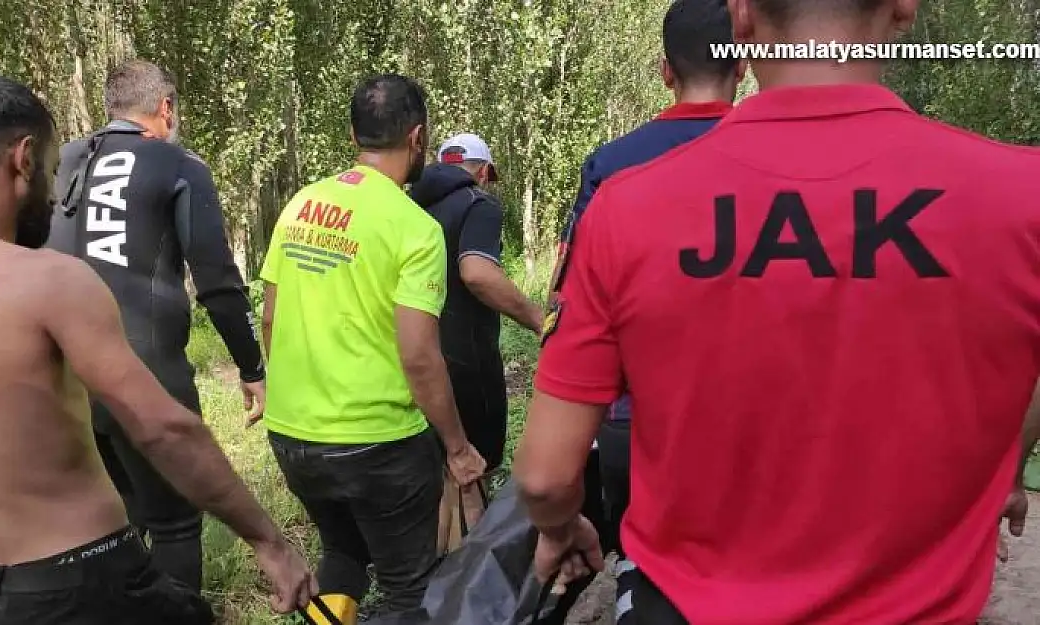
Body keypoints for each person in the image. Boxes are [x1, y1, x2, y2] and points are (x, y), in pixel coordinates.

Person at [517, 0, 1040, 622]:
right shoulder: (1019, 197)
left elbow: (546, 476)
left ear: (740, 16)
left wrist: (560, 527)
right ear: (904, 8)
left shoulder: (627, 208)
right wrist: (1009, 463)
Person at [0, 74, 314, 625]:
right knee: (177, 540)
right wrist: (271, 544)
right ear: (24, 157)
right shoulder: (49, 281)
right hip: (88, 584)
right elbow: (166, 429)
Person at [259, 73, 486, 614]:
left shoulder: (300, 206)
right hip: (378, 444)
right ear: (418, 137)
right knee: (410, 588)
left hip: (293, 434)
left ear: (352, 133)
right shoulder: (413, 228)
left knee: (341, 552)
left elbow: (269, 319)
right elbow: (419, 355)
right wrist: (457, 449)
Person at [46, 59, 267, 592]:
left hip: (60, 374)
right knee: (174, 522)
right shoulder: (177, 165)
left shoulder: (64, 160)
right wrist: (251, 365)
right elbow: (216, 279)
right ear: (165, 108)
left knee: (105, 522)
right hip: (144, 375)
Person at [552, 0, 744, 563]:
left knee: (648, 573)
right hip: (753, 428)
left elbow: (571, 300)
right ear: (743, 68)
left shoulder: (611, 165)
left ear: (666, 70)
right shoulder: (790, 161)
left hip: (636, 425)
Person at [409, 133, 543, 476]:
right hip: (466, 368)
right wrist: (540, 319)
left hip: (413, 365)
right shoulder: (477, 204)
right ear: (483, 172)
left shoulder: (408, 207)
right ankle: (471, 531)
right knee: (473, 472)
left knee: (435, 474)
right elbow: (478, 274)